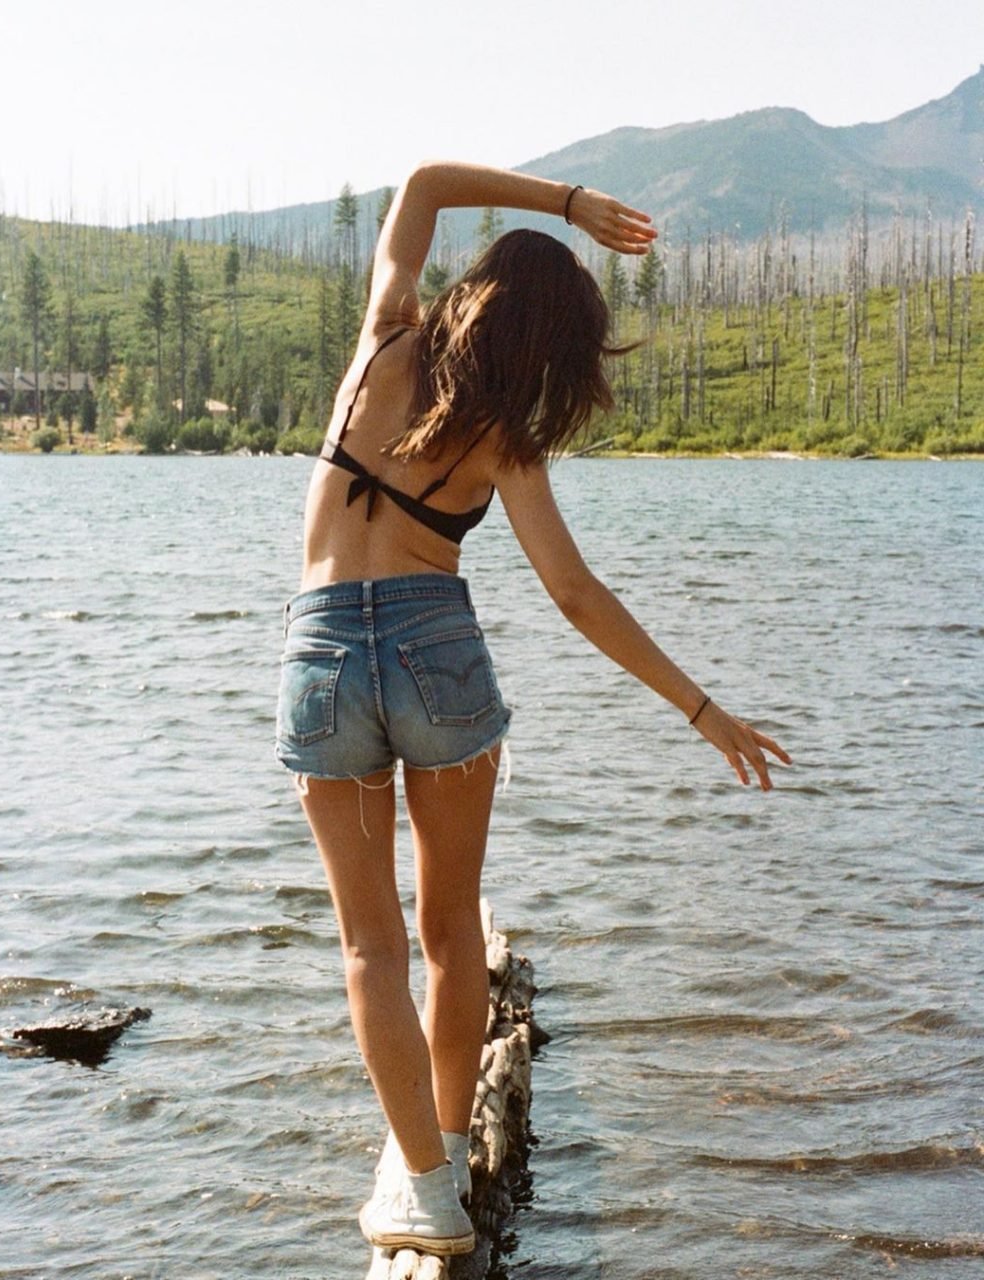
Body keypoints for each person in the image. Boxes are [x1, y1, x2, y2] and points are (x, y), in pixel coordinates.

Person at [275, 162, 791, 1257]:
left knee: (370, 948)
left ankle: (420, 1186)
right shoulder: (503, 434)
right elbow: (574, 592)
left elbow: (420, 186)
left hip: (322, 653)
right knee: (450, 931)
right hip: (436, 649)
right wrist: (701, 710)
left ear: (474, 291)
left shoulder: (382, 338)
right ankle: (444, 1153)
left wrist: (563, 205)